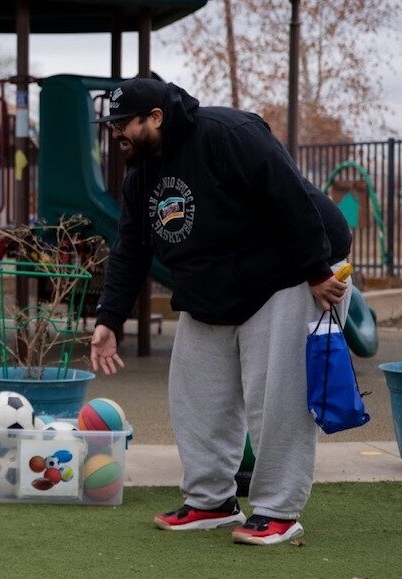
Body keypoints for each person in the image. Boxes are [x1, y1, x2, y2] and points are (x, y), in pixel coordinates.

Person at [88, 78, 352, 546]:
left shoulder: (226, 133)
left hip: (293, 273)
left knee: (277, 400)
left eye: (122, 124)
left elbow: (288, 196)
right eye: (111, 127)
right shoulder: (140, 176)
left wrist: (315, 272)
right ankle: (210, 500)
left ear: (155, 118)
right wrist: (109, 318)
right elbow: (129, 248)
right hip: (215, 288)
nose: (116, 135)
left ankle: (277, 510)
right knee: (195, 394)